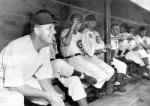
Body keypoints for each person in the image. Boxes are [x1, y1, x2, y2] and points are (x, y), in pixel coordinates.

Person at [0, 9, 65, 106]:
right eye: (50, 28)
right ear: (37, 30)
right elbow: (13, 86)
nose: (54, 32)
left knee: (53, 97)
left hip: (22, 79)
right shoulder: (16, 48)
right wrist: (46, 95)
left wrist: (52, 94)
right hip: (3, 82)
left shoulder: (45, 46)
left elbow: (43, 76)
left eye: (54, 28)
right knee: (15, 99)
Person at [60, 13, 113, 95]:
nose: (77, 24)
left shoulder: (81, 35)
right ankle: (86, 92)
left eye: (79, 22)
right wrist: (72, 27)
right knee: (101, 75)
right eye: (75, 21)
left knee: (107, 72)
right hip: (71, 59)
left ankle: (86, 90)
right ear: (71, 22)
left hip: (83, 57)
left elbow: (88, 50)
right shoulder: (65, 31)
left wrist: (103, 49)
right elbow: (66, 42)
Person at [49, 35, 96, 106]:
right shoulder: (30, 42)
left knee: (74, 79)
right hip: (42, 67)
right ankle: (83, 76)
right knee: (59, 62)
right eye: (50, 27)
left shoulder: (51, 37)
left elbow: (54, 55)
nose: (54, 31)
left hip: (52, 65)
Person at [82, 14, 115, 95]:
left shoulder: (96, 32)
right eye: (90, 20)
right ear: (86, 22)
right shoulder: (85, 32)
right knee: (103, 74)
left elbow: (100, 44)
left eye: (94, 20)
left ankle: (94, 89)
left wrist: (105, 47)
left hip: (97, 56)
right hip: (87, 57)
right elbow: (89, 50)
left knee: (110, 71)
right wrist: (103, 49)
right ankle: (89, 91)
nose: (93, 22)